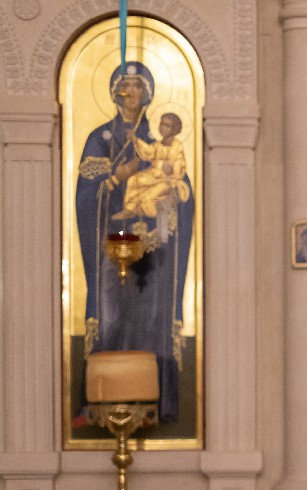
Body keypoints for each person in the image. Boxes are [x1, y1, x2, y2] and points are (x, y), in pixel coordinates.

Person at [75, 62, 195, 425]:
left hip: (153, 250)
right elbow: (85, 196)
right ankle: (100, 405)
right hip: (111, 249)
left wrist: (171, 198)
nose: (131, 92)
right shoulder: (99, 139)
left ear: (148, 93)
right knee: (111, 316)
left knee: (154, 317)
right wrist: (116, 178)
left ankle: (158, 405)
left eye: (138, 86)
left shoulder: (159, 141)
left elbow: (183, 192)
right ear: (114, 91)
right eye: (125, 85)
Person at [115, 112, 189, 221]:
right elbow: (148, 152)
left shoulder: (177, 146)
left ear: (174, 129)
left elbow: (180, 165)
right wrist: (135, 140)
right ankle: (129, 209)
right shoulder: (158, 144)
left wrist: (171, 167)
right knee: (133, 180)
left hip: (168, 180)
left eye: (167, 125)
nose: (163, 127)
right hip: (153, 176)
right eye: (161, 124)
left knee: (149, 196)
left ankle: (148, 216)